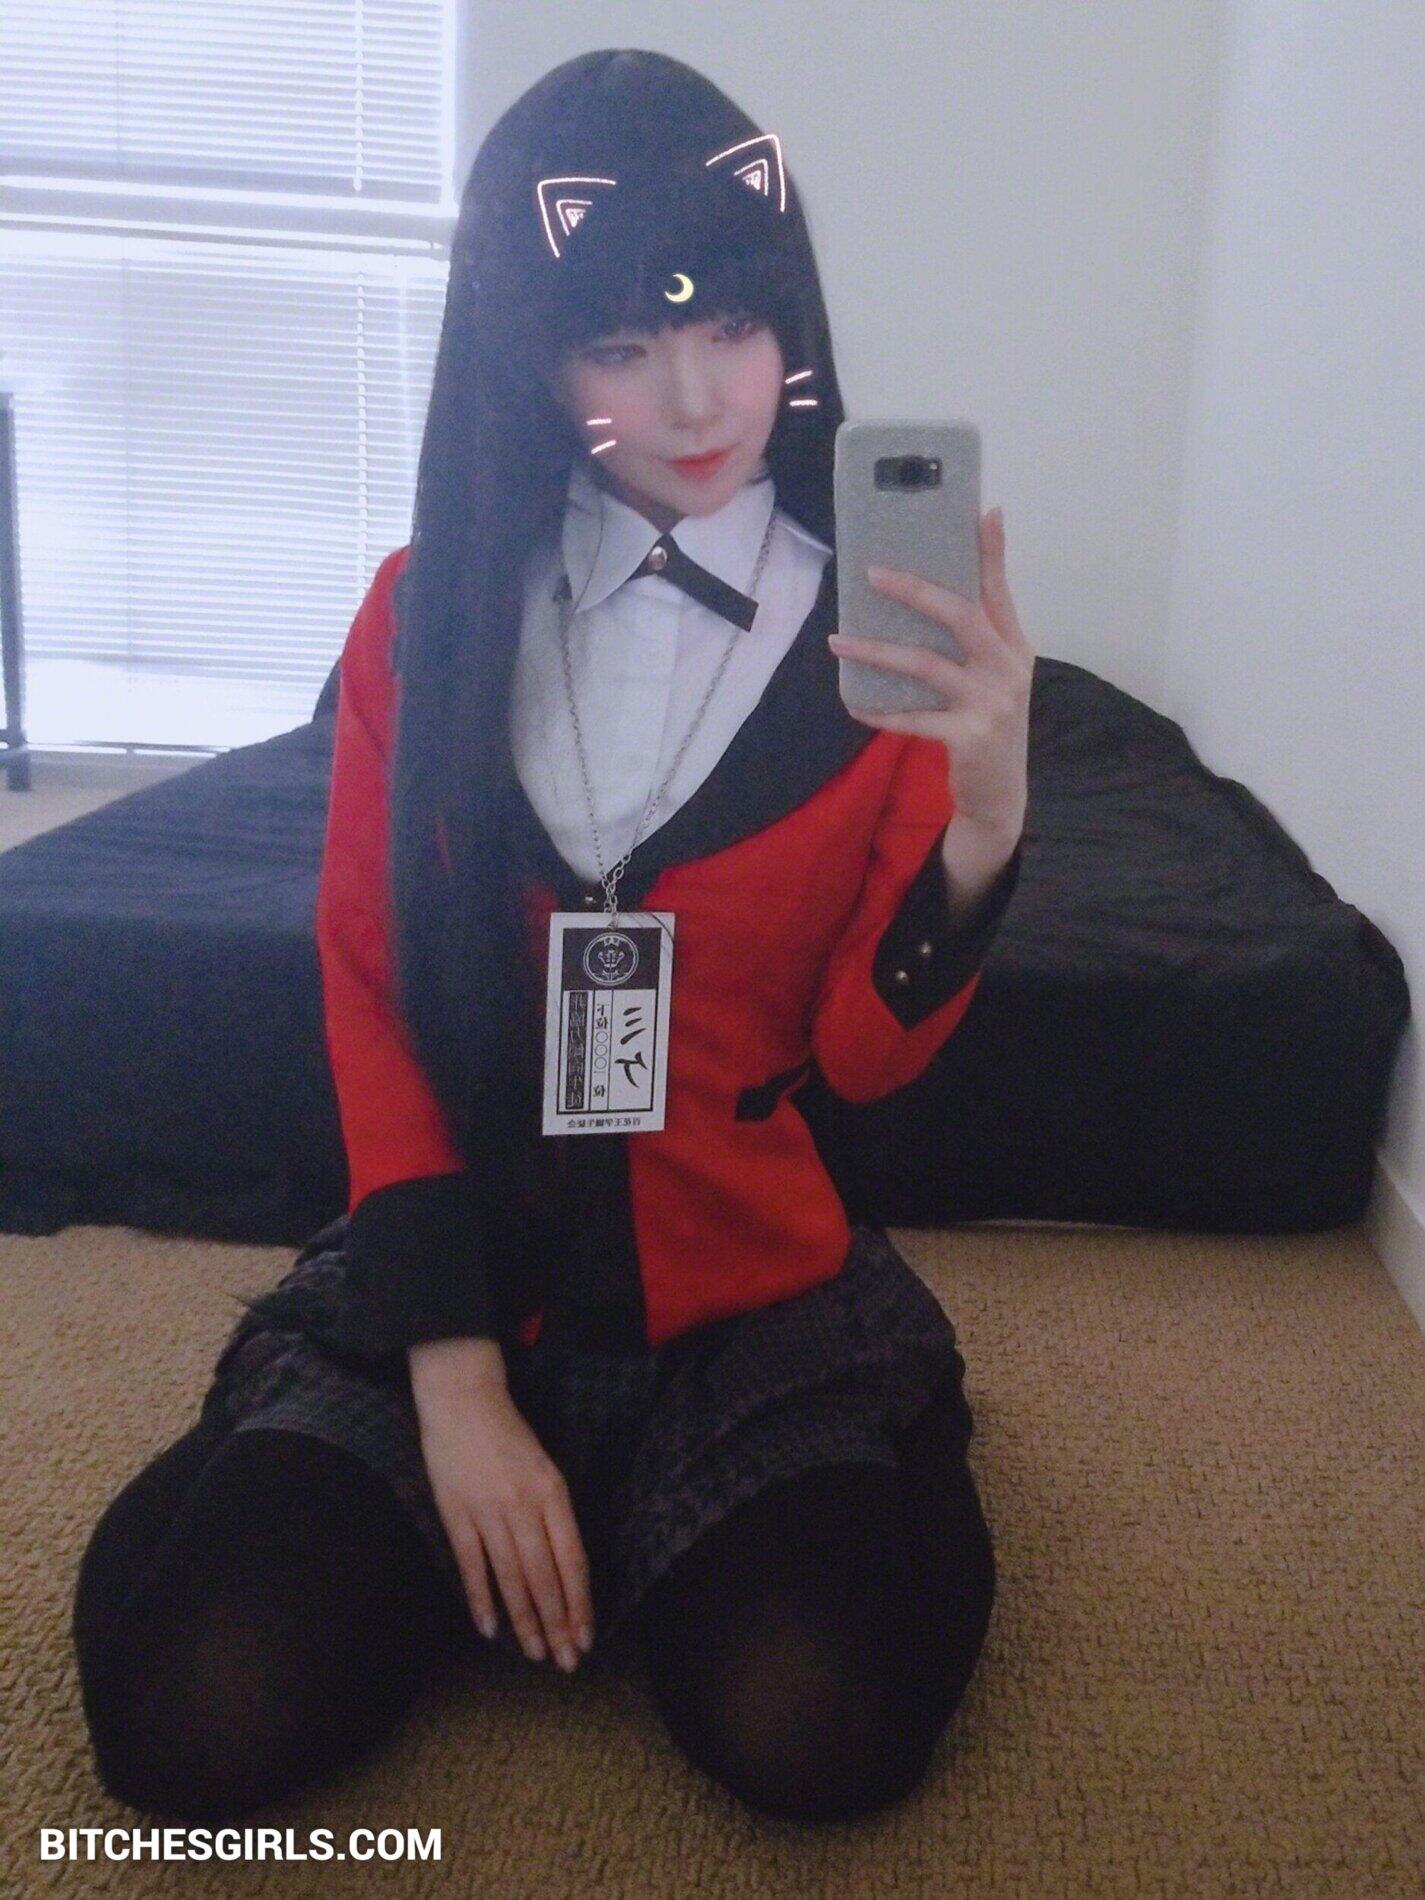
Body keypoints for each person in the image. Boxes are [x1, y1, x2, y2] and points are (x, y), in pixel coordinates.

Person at [70, 48, 1032, 1828]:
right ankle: (436, 1496)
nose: (697, 397)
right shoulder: (420, 617)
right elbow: (370, 981)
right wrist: (452, 1385)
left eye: (733, 325)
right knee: (189, 1724)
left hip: (742, 1297)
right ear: (527, 356)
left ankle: (799, 1464)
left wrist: (983, 822)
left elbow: (865, 1054)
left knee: (821, 1731)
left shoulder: (884, 643)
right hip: (459, 1276)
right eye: (619, 344)